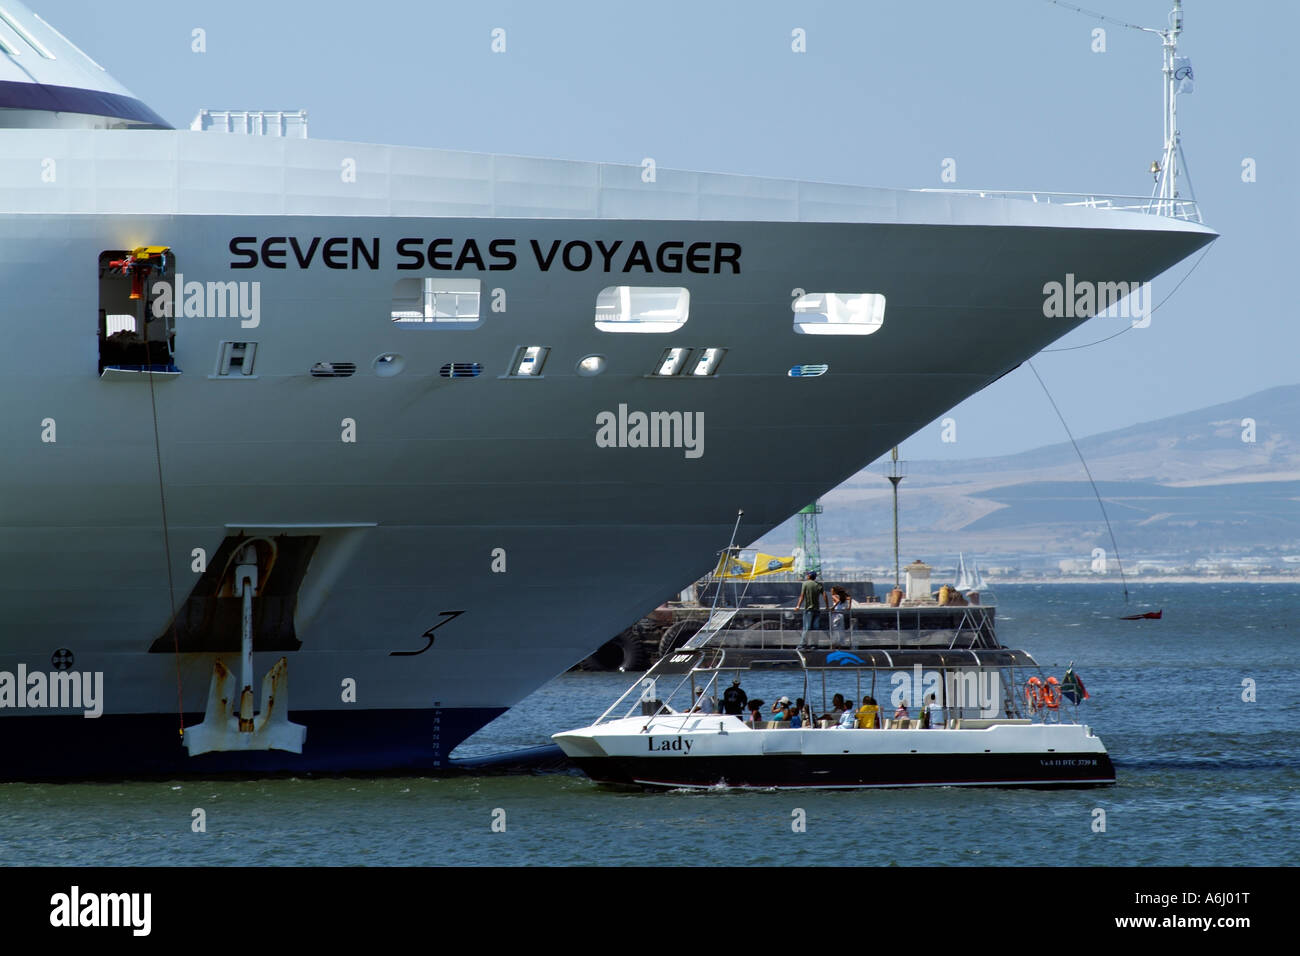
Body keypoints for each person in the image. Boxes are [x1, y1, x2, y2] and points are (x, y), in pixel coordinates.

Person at [794, 571, 829, 647]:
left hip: (808, 609)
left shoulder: (805, 584)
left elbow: (802, 596)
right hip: (817, 609)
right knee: (815, 628)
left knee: (807, 627)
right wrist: (827, 606)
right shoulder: (819, 584)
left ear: (810, 576)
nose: (806, 576)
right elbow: (825, 595)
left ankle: (802, 644)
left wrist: (798, 606)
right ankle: (814, 645)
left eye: (808, 575)